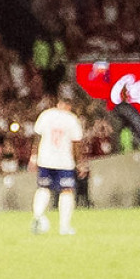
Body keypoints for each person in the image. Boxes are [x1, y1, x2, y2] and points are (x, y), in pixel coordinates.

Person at [26, 93, 84, 235]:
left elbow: (37, 137)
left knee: (43, 188)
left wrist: (34, 157)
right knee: (66, 191)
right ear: (69, 106)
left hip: (45, 159)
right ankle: (64, 226)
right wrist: (80, 163)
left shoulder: (46, 115)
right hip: (64, 161)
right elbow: (76, 143)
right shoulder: (71, 119)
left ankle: (38, 216)